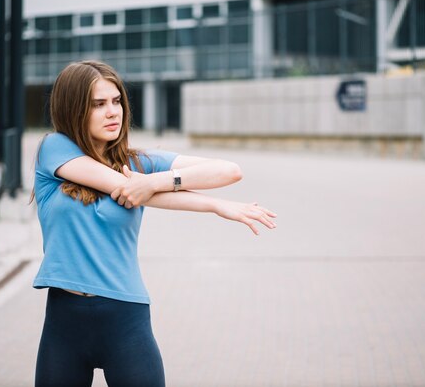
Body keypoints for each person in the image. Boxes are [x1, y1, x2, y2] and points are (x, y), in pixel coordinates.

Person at [32, 60, 277, 387]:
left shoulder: (139, 164)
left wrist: (160, 181)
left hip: (125, 318)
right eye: (99, 104)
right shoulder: (54, 149)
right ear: (73, 109)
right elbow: (125, 188)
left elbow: (229, 170)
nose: (113, 112)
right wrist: (206, 202)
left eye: (117, 101)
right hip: (64, 321)